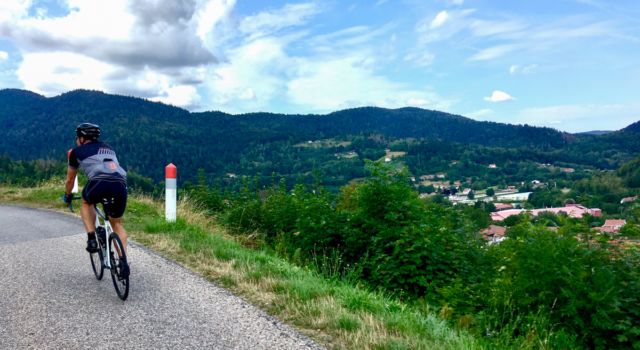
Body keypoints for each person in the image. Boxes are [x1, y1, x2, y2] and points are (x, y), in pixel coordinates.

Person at [63, 123, 129, 277]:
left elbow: (70, 180)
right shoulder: (109, 148)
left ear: (81, 138)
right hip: (120, 183)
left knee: (87, 202)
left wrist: (67, 195)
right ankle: (123, 262)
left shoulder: (75, 152)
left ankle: (92, 238)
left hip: (98, 181)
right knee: (116, 223)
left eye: (77, 137)